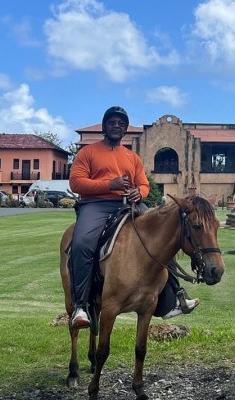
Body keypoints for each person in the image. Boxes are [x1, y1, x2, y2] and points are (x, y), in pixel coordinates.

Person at [67, 106, 199, 329]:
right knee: (81, 243)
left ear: (125, 129)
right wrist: (110, 184)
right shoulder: (88, 153)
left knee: (164, 237)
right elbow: (76, 183)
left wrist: (140, 192)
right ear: (104, 127)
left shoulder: (131, 157)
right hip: (96, 204)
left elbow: (144, 183)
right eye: (112, 122)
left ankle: (175, 296)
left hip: (129, 204)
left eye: (121, 123)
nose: (116, 126)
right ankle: (80, 306)